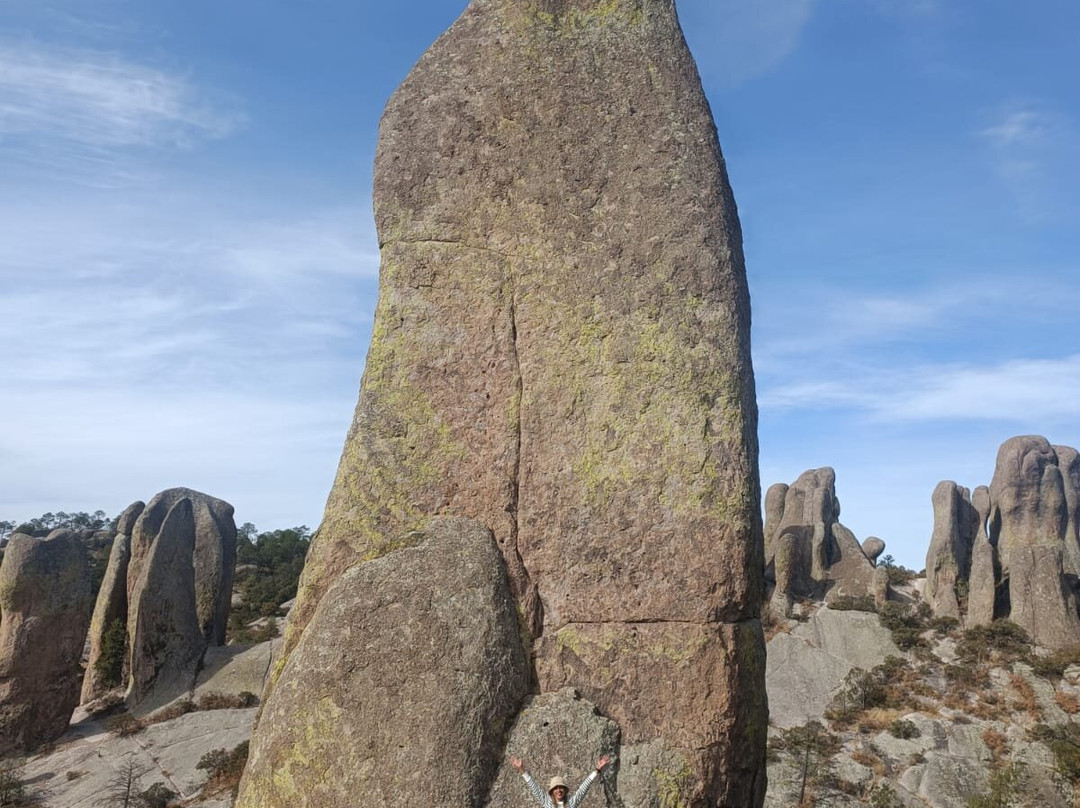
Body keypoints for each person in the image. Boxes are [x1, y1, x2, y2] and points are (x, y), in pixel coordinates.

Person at [510, 754, 612, 808]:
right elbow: (534, 787)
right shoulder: (547, 802)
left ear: (565, 790)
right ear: (552, 791)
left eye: (561, 788)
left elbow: (583, 788)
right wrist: (521, 770)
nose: (559, 790)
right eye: (556, 788)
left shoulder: (571, 803)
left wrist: (597, 770)